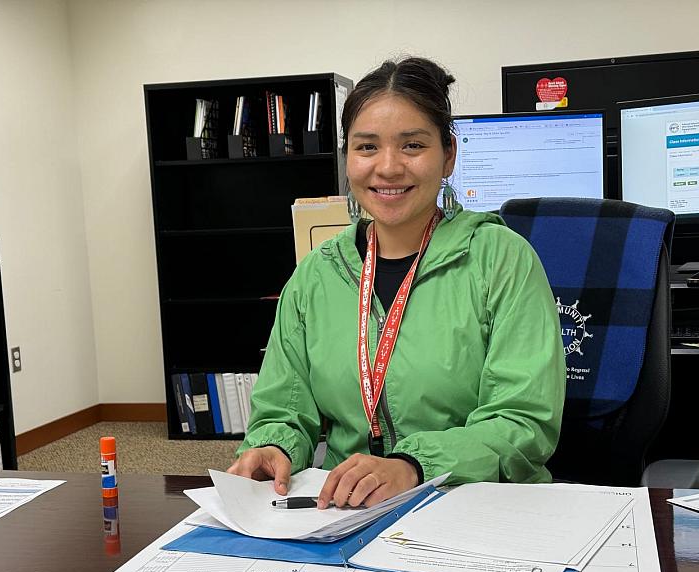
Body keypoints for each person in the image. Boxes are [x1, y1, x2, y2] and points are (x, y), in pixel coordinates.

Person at [228, 56, 565, 508]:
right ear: (347, 157)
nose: (387, 168)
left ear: (448, 155)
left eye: (412, 146)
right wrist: (274, 447)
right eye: (366, 147)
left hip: (476, 506)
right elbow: (285, 409)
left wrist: (412, 464)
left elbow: (523, 421)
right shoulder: (317, 275)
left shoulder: (501, 259)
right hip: (346, 510)